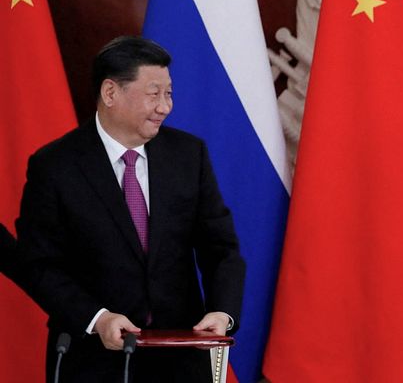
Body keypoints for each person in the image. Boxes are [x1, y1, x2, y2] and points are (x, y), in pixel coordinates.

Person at [16, 36, 245, 382]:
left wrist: (222, 311)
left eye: (169, 93)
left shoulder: (188, 155)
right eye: (154, 94)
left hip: (180, 357)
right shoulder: (55, 166)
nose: (165, 107)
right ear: (111, 93)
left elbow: (221, 248)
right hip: (92, 360)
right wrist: (97, 318)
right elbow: (39, 264)